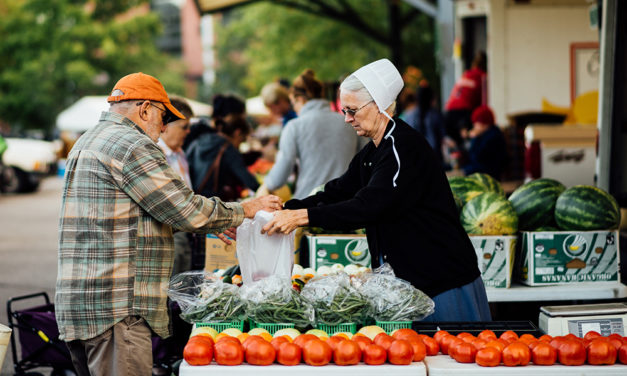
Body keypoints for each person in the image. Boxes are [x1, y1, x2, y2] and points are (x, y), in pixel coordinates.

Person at [55, 72, 281, 376]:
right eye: (163, 116)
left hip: (82, 303)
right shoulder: (132, 144)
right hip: (118, 308)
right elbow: (185, 208)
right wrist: (247, 209)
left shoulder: (89, 140)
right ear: (144, 108)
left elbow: (124, 218)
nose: (164, 127)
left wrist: (203, 223)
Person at [262, 59, 491, 322]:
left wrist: (303, 217)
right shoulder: (373, 151)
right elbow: (338, 191)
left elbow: (370, 204)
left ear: (378, 106)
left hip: (443, 282)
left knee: (455, 357)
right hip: (410, 286)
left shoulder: (402, 148)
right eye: (343, 111)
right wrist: (284, 209)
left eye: (352, 110)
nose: (347, 119)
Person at [258, 69, 365, 199]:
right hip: (347, 200)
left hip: (309, 202)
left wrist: (266, 185)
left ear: (300, 100)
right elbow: (364, 158)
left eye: (293, 103)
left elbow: (281, 173)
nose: (295, 109)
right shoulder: (349, 122)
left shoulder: (294, 127)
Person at [157, 95, 194, 275]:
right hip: (169, 234)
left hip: (184, 230)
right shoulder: (156, 155)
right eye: (184, 127)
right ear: (167, 126)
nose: (188, 132)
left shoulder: (180, 153)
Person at [186, 114, 260, 201]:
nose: (239, 145)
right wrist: (264, 190)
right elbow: (248, 180)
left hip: (191, 196)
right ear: (237, 132)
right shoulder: (228, 148)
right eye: (242, 140)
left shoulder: (200, 139)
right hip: (212, 200)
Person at [443, 51, 487, 162]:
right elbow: (484, 100)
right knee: (468, 139)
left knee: (457, 144)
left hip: (449, 112)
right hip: (464, 112)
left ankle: (458, 163)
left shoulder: (466, 74)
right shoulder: (482, 76)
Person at [404, 84, 446, 165]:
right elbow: (443, 137)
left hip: (414, 159)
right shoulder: (435, 115)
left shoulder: (409, 116)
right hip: (434, 159)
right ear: (431, 99)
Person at [462, 105, 508, 179]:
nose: (474, 126)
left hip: (489, 174)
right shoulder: (488, 134)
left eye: (476, 123)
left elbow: (476, 156)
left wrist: (474, 139)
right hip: (484, 171)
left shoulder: (493, 136)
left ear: (484, 123)